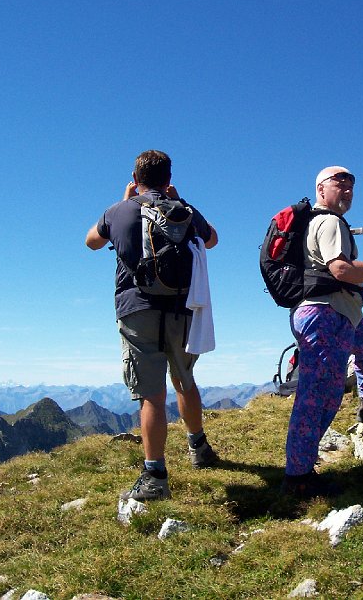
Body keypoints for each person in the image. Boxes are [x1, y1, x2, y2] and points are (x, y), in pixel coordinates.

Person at [86, 149, 219, 501]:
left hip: (137, 309)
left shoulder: (120, 211)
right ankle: (198, 447)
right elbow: (212, 239)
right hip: (182, 308)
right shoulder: (184, 211)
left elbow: (91, 242)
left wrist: (123, 201)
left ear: (135, 177)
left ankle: (156, 474)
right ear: (168, 179)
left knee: (152, 395)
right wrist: (180, 201)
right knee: (185, 379)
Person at [282, 166, 363, 497]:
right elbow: (341, 270)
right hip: (327, 315)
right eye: (339, 182)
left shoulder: (321, 222)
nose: (348, 189)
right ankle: (299, 476)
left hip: (339, 315)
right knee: (318, 395)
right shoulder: (329, 222)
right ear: (320, 189)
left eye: (352, 184)